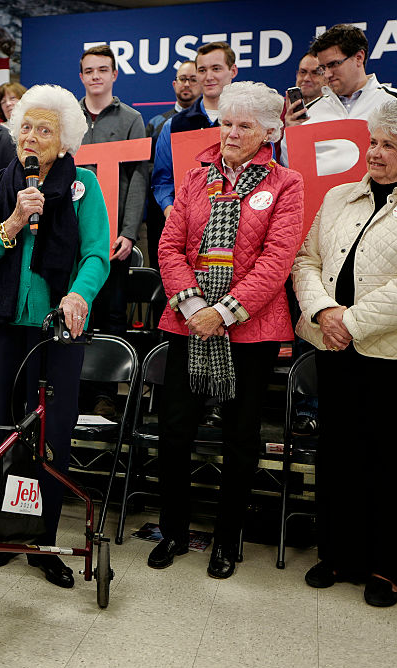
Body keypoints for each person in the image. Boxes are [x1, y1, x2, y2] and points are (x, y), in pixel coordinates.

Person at [292, 99, 397, 607]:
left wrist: (352, 322)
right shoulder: (341, 196)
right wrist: (325, 314)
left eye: (389, 145)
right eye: (374, 142)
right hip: (336, 347)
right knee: (341, 453)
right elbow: (307, 260)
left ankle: (392, 566)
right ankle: (340, 554)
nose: (375, 152)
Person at [148, 82, 303, 579]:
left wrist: (224, 312)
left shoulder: (286, 183)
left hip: (250, 330)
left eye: (245, 126)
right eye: (226, 123)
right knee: (174, 433)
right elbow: (169, 248)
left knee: (241, 438)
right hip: (187, 322)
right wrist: (196, 307)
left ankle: (226, 538)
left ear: (269, 132)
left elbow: (277, 262)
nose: (232, 133)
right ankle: (172, 530)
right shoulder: (195, 177)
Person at [0, 84, 110, 588]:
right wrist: (12, 221)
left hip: (56, 330)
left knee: (51, 435)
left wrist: (78, 296)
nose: (31, 137)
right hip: (0, 325)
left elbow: (95, 254)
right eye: (26, 126)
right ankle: (6, 529)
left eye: (44, 129)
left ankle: (44, 541)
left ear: (65, 140)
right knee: (3, 430)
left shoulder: (84, 187)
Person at [77, 44, 147, 417]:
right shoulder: (68, 118)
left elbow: (138, 179)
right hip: (73, 238)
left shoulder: (132, 118)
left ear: (114, 74)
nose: (96, 76)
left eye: (103, 70)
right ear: (82, 76)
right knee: (73, 310)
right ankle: (73, 386)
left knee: (112, 315)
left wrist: (129, 232)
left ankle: (105, 394)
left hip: (112, 237)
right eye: (89, 71)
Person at [284, 25, 397, 176]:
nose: (327, 74)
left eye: (333, 64)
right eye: (322, 68)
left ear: (359, 58)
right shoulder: (308, 112)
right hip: (324, 199)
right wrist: (290, 135)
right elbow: (294, 170)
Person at [152, 42, 238, 224]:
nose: (208, 76)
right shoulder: (172, 126)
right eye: (202, 70)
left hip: (240, 224)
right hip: (187, 226)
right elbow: (162, 181)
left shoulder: (249, 123)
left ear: (233, 71)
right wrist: (170, 210)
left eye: (216, 68)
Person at [144, 62, 200, 268]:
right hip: (165, 211)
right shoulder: (158, 123)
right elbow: (149, 170)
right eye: (183, 79)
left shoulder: (218, 123)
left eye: (193, 79)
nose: (187, 84)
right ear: (175, 84)